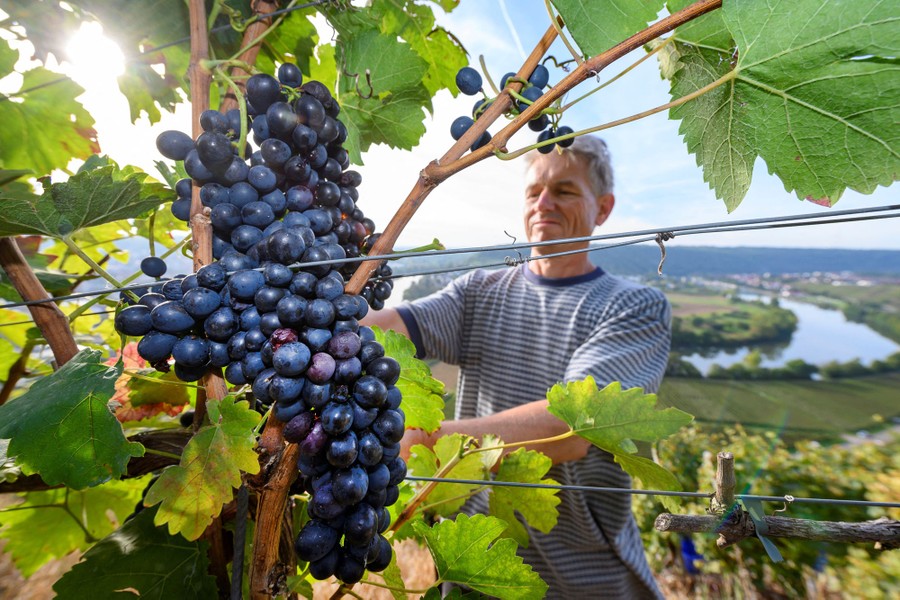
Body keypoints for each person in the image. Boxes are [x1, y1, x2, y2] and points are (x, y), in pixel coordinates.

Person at [363, 135, 670, 599]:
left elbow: (574, 429)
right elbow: (382, 334)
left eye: (564, 190)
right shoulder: (478, 292)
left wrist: (426, 440)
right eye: (533, 192)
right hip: (478, 574)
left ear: (603, 208)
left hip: (585, 580)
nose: (544, 202)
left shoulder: (633, 306)